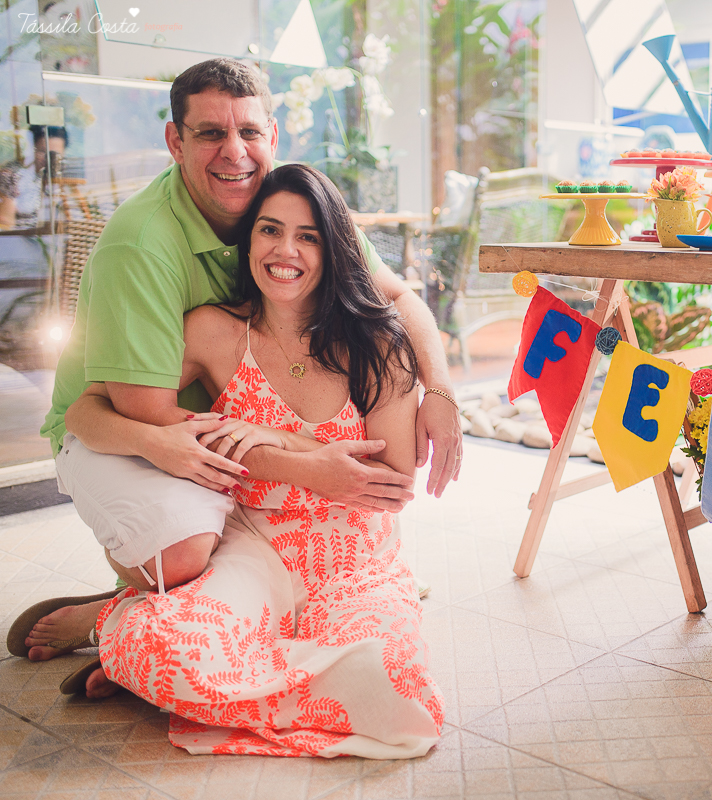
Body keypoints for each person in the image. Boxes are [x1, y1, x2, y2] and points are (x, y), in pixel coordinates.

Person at [7, 59, 461, 660]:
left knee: (341, 644)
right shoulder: (141, 247)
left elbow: (399, 297)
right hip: (138, 431)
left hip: (228, 440)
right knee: (185, 552)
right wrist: (304, 457)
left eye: (248, 132)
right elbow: (135, 415)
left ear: (273, 136)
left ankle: (154, 608)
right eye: (210, 133)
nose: (234, 152)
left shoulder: (289, 202)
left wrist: (442, 393)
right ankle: (146, 599)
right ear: (175, 141)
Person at [39, 163, 443, 758]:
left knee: (396, 693)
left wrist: (264, 436)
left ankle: (216, 679)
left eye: (308, 237)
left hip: (353, 557)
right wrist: (306, 459)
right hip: (253, 543)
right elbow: (86, 414)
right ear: (248, 239)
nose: (286, 251)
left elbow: (392, 483)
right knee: (158, 648)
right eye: (270, 230)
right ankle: (121, 633)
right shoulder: (212, 333)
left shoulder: (377, 340)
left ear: (334, 249)